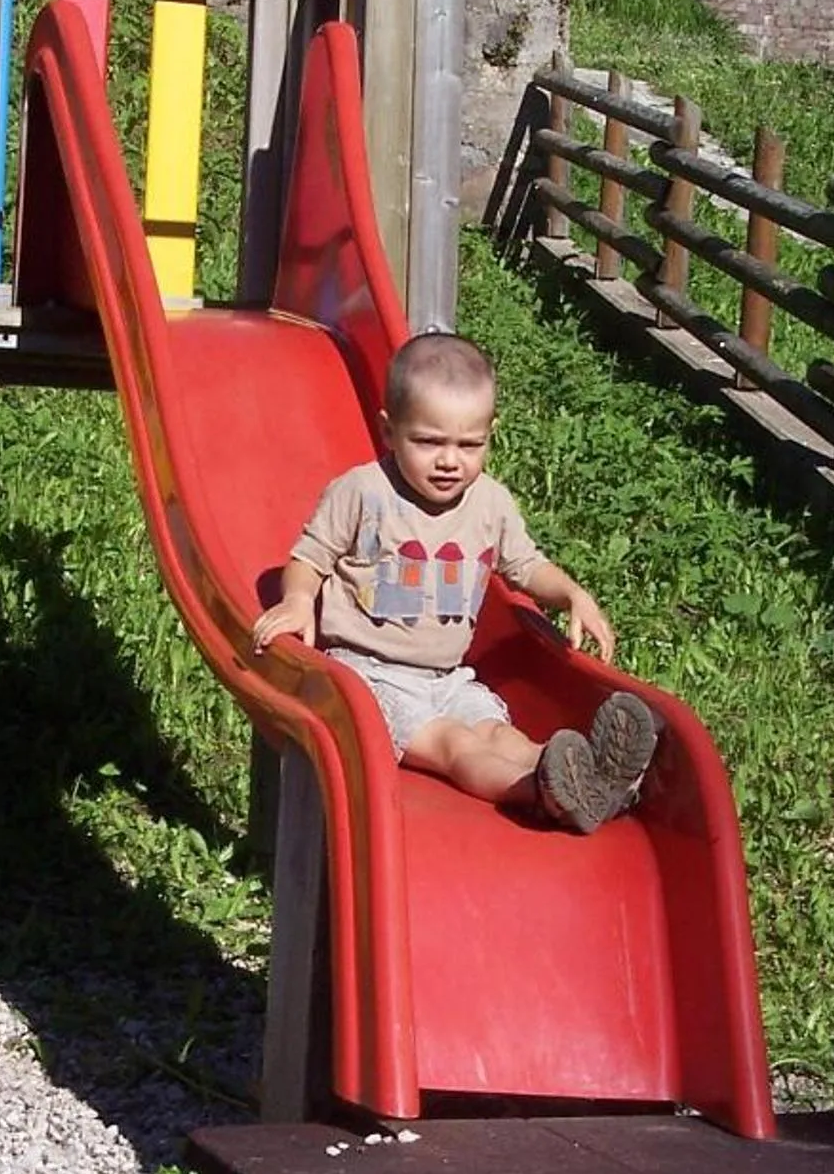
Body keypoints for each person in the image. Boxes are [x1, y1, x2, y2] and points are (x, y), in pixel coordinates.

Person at [250, 332, 661, 832]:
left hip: (448, 677)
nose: (450, 460)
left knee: (499, 734)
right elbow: (310, 556)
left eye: (470, 444)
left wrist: (572, 593)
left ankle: (591, 782)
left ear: (491, 434)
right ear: (389, 430)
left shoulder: (490, 503)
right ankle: (541, 793)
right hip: (371, 678)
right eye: (429, 441)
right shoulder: (361, 492)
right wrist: (297, 601)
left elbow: (527, 567)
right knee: (456, 746)